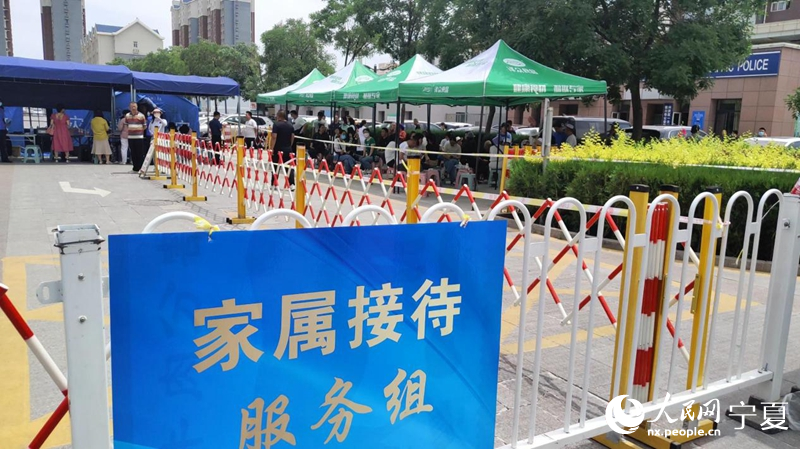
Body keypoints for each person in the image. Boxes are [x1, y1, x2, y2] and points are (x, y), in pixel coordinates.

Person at [270, 111, 295, 186]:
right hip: (288, 149)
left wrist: (271, 148)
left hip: (278, 149)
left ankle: (274, 183)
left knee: (275, 166)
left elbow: (274, 137)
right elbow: (292, 137)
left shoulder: (276, 125)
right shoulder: (290, 125)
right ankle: (292, 184)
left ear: (279, 116)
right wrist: (289, 145)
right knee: (288, 167)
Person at [125, 102, 147, 171]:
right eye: (132, 106)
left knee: (140, 152)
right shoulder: (127, 115)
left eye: (134, 106)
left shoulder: (141, 115)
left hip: (139, 137)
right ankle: (135, 167)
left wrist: (138, 130)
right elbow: (126, 124)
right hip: (131, 137)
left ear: (137, 107)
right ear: (129, 107)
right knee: (133, 152)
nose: (133, 108)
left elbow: (145, 126)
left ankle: (140, 167)